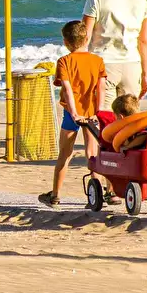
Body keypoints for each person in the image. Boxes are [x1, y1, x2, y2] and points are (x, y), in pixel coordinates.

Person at [39, 20, 117, 207]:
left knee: (65, 154)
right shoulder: (97, 61)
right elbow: (101, 88)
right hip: (91, 112)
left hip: (71, 114)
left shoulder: (64, 61)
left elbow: (67, 89)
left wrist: (74, 113)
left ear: (65, 42)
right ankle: (99, 193)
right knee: (92, 154)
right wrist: (98, 112)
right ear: (87, 38)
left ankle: (56, 195)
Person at [82, 0, 147, 110]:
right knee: (128, 124)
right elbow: (143, 42)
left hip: (103, 65)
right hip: (132, 65)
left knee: (104, 121)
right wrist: (145, 75)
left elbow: (85, 37)